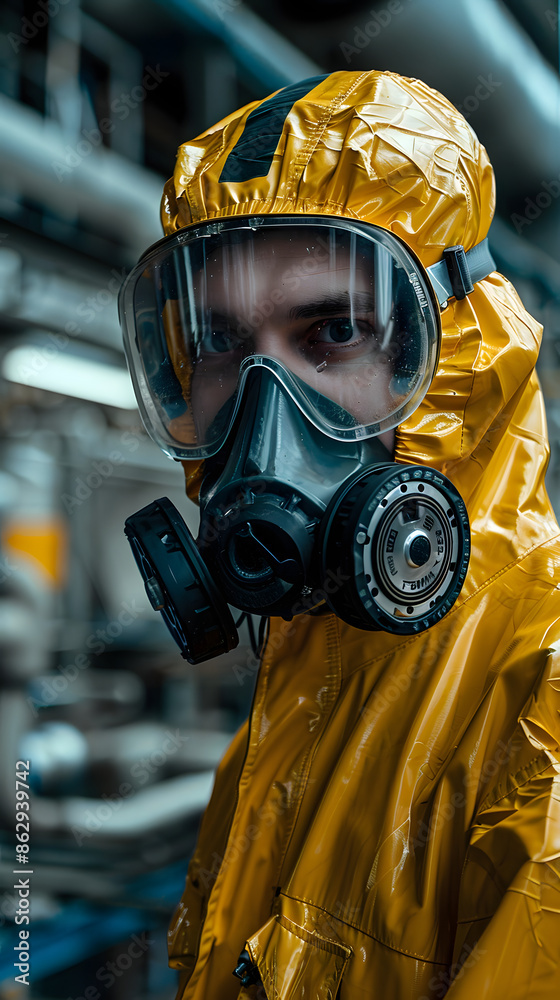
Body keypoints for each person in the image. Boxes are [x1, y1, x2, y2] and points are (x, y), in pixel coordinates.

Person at [119, 71, 560, 998]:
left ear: (459, 358)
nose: (263, 407)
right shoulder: (291, 693)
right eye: (218, 346)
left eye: (336, 331)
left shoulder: (539, 722)